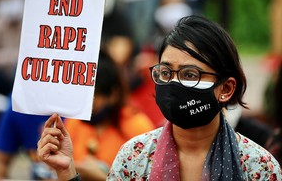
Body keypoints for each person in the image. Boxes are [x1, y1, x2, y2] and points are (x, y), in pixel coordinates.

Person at [37, 15, 282, 180]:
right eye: (165, 72)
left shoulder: (257, 166)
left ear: (226, 89)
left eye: (190, 74)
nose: (173, 83)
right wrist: (67, 170)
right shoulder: (134, 157)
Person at [56, 50, 155, 180]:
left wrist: (102, 177)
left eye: (91, 98)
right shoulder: (73, 122)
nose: (84, 105)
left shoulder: (137, 128)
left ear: (113, 94)